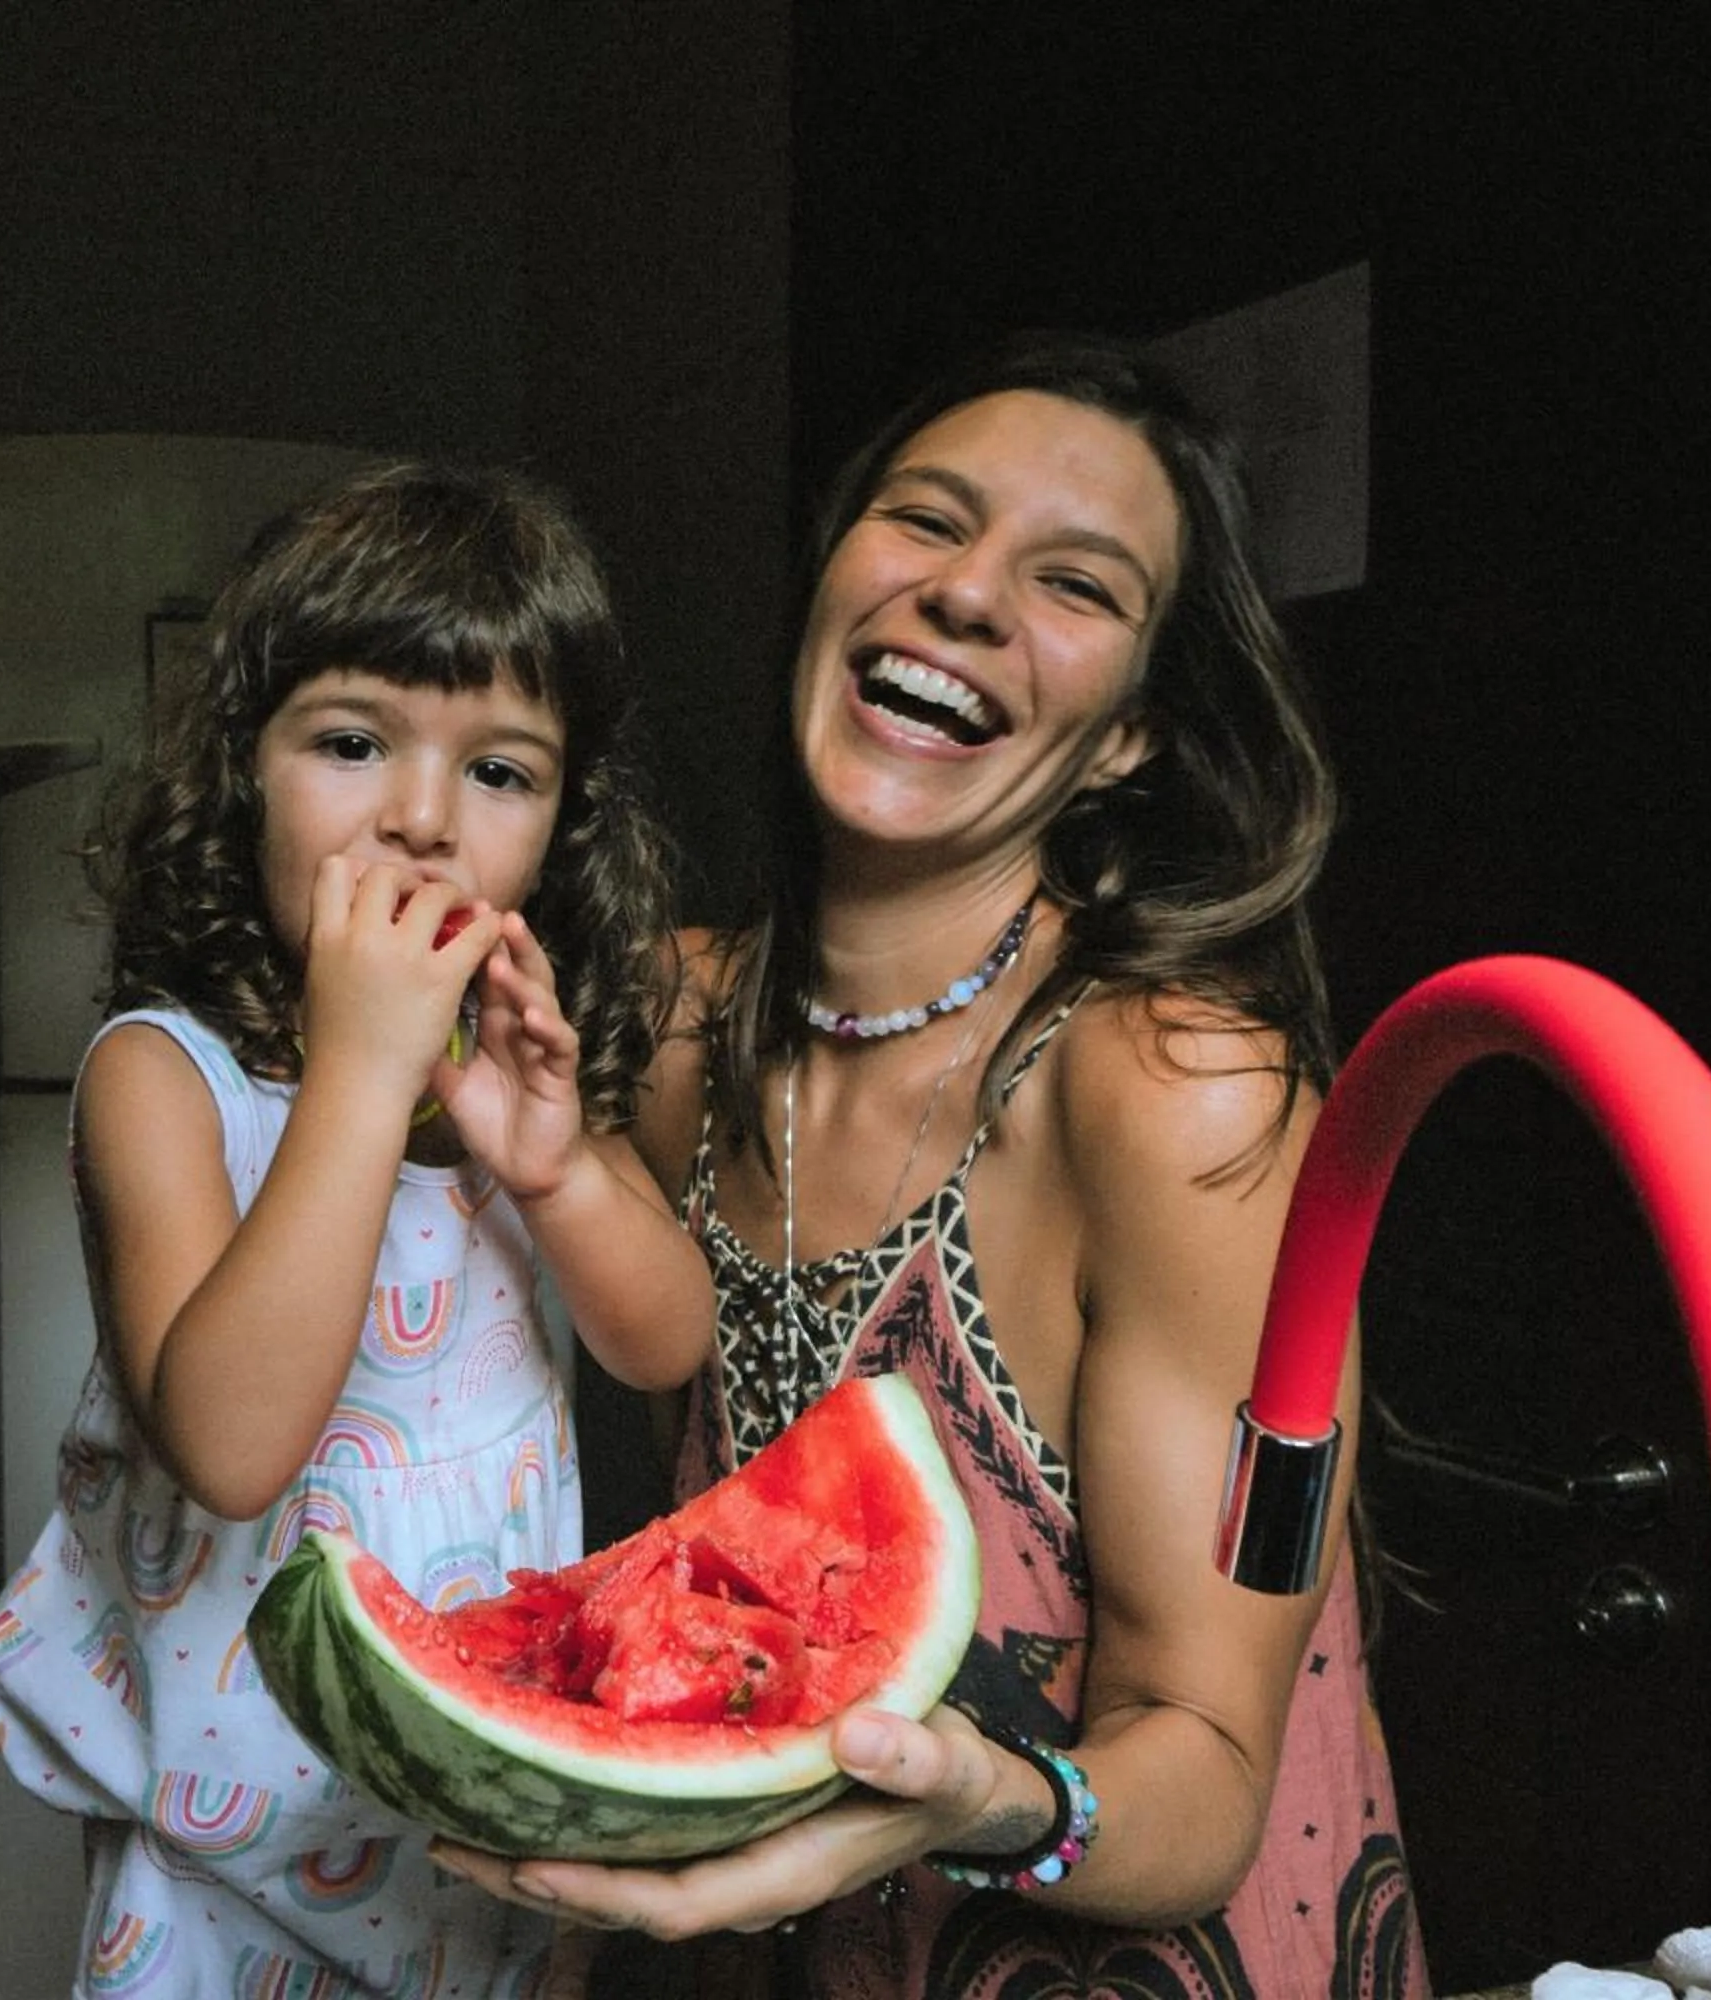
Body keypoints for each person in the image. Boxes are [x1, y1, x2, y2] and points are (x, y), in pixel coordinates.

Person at [436, 336, 1430, 1996]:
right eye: (925, 521)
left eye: (1077, 585)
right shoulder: (677, 1031)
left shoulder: (1184, 1097)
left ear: (1129, 740)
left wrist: (985, 1793)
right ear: (831, 584)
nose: (966, 596)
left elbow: (1209, 1779)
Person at [0, 460, 717, 1999]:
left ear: (562, 828)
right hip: (217, 1888)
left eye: (501, 773)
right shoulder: (162, 1080)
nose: (424, 819)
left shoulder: (525, 1072)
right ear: (246, 772)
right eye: (355, 742)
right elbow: (233, 1445)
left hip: (490, 1852)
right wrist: (364, 1073)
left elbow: (667, 1343)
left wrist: (563, 1171)